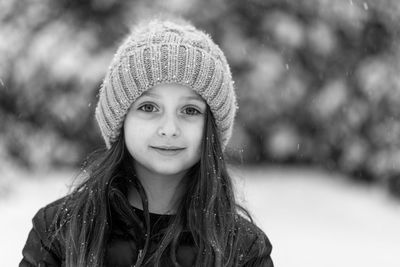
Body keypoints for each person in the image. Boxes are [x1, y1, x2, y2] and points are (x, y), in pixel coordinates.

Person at [19, 17, 273, 267]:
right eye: (149, 107)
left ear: (213, 130)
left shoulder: (243, 249)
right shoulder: (60, 232)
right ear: (120, 119)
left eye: (190, 110)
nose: (169, 129)